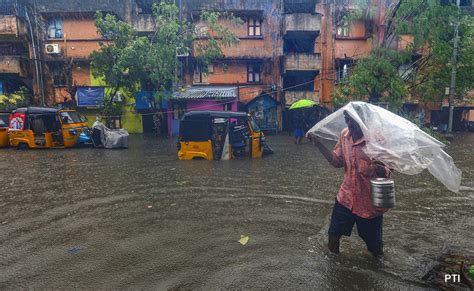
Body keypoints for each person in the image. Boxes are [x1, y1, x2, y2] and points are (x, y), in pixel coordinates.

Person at [309, 111, 391, 261]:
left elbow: (388, 169)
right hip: (345, 199)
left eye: (353, 121)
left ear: (363, 120)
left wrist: (380, 168)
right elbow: (336, 162)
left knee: (375, 250)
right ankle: (333, 271)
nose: (349, 124)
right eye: (346, 120)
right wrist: (318, 144)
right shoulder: (344, 135)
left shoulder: (377, 139)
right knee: (333, 237)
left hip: (369, 205)